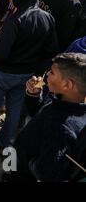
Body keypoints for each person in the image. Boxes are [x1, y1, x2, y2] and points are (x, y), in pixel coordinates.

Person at [0, 0, 59, 154]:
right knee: (14, 110)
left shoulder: (14, 20)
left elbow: (2, 53)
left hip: (3, 73)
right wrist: (38, 73)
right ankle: (2, 144)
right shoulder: (47, 18)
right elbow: (51, 50)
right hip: (27, 75)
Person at [10, 53, 86, 182]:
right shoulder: (67, 102)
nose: (47, 74)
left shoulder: (62, 128)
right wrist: (34, 95)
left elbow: (46, 172)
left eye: (52, 72)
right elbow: (40, 114)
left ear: (67, 85)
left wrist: (26, 160)